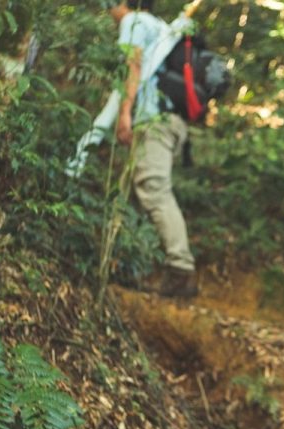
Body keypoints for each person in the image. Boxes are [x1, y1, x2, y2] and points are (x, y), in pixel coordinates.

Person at [107, 0, 198, 297]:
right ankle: (128, 263)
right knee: (143, 188)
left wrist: (124, 113)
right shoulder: (161, 27)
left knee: (153, 187)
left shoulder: (134, 23)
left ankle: (180, 271)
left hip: (154, 119)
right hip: (172, 119)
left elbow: (132, 65)